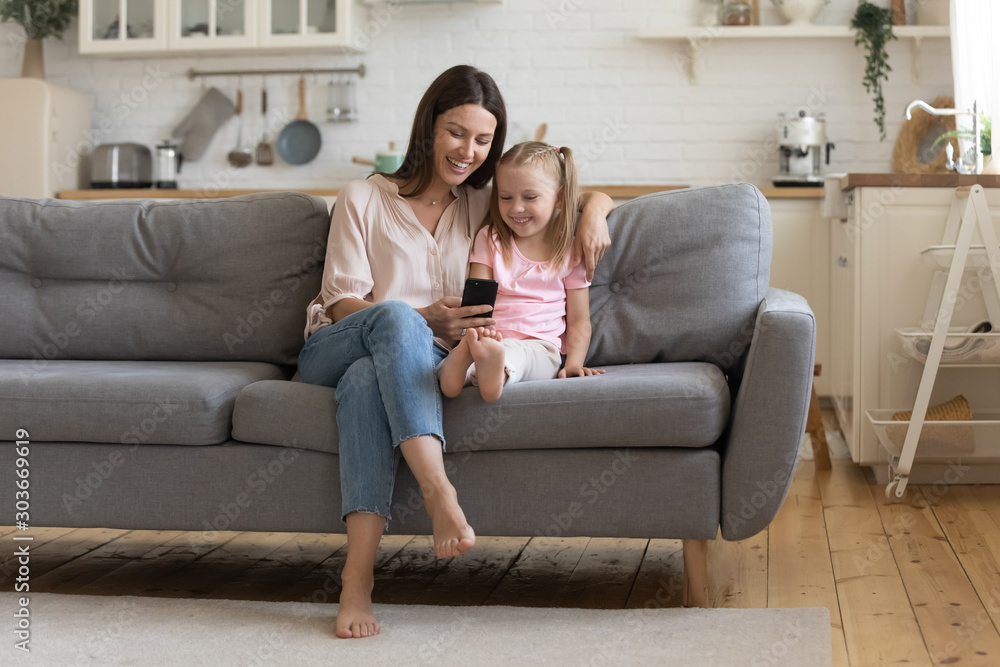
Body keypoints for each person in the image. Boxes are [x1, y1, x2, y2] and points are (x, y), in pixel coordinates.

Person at [296, 65, 613, 640]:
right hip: (336, 346)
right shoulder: (363, 196)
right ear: (428, 129)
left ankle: (356, 581)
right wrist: (423, 319)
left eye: (483, 139)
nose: (469, 150)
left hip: (407, 366)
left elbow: (565, 188)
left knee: (370, 381)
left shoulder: (483, 205)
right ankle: (440, 492)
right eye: (456, 132)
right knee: (390, 318)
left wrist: (594, 211)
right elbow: (344, 304)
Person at [438, 142, 605, 402]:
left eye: (530, 197)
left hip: (540, 347)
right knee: (474, 347)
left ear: (559, 196)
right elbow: (478, 302)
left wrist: (573, 362)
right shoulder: (490, 238)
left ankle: (491, 371)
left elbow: (580, 320)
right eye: (506, 197)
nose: (516, 208)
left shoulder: (570, 248)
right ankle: (461, 364)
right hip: (488, 338)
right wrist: (474, 336)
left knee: (516, 355)